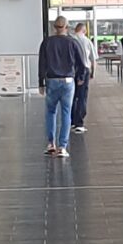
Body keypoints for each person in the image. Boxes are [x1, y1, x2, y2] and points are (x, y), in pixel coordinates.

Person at [38, 16, 87, 157]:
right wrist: (80, 78)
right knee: (66, 113)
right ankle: (62, 147)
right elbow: (81, 63)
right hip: (68, 81)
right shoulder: (72, 42)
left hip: (51, 81)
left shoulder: (46, 42)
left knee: (50, 112)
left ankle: (50, 143)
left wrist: (41, 82)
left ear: (54, 27)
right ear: (67, 26)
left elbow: (42, 63)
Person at [70, 22, 98, 133]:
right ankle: (79, 123)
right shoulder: (87, 41)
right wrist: (93, 73)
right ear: (84, 30)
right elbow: (93, 59)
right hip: (84, 70)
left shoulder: (70, 40)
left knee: (72, 95)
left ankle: (71, 121)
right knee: (82, 96)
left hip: (71, 71)